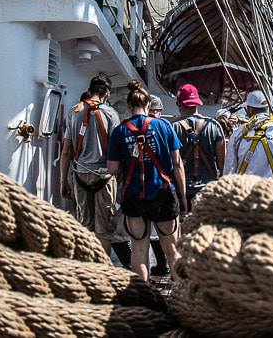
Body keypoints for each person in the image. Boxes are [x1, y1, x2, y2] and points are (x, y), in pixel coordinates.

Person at [106, 80, 187, 281]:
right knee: (171, 250)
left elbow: (112, 168)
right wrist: (183, 196)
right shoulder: (164, 126)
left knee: (139, 250)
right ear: (149, 105)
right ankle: (180, 295)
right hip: (163, 193)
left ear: (128, 105)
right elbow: (177, 164)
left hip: (134, 195)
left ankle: (144, 297)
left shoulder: (119, 131)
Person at [59, 76, 122, 258]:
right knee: (104, 232)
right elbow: (116, 152)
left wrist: (64, 181)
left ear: (90, 89)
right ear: (107, 94)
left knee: (85, 227)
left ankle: (86, 267)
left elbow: (66, 151)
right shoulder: (111, 115)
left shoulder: (74, 112)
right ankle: (103, 270)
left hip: (80, 175)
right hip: (104, 177)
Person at [171, 83, 225, 203]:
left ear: (179, 104)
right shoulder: (214, 125)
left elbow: (173, 163)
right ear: (197, 103)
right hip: (209, 190)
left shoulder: (173, 128)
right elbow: (222, 162)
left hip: (183, 192)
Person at [227, 89, 273, 179]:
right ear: (268, 107)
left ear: (250, 109)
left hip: (245, 190)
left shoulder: (238, 133)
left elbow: (230, 166)